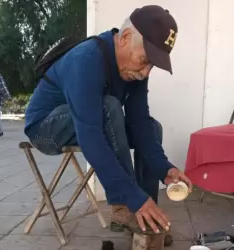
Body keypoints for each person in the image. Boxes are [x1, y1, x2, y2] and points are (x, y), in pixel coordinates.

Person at [24, 5, 192, 240]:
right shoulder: (86, 58)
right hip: (45, 127)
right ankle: (126, 206)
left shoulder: (134, 69)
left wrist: (164, 168)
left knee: (152, 128)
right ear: (125, 38)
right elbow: (91, 135)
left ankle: (147, 216)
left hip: (90, 121)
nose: (145, 73)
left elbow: (139, 123)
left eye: (152, 65)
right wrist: (130, 195)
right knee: (109, 107)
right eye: (145, 60)